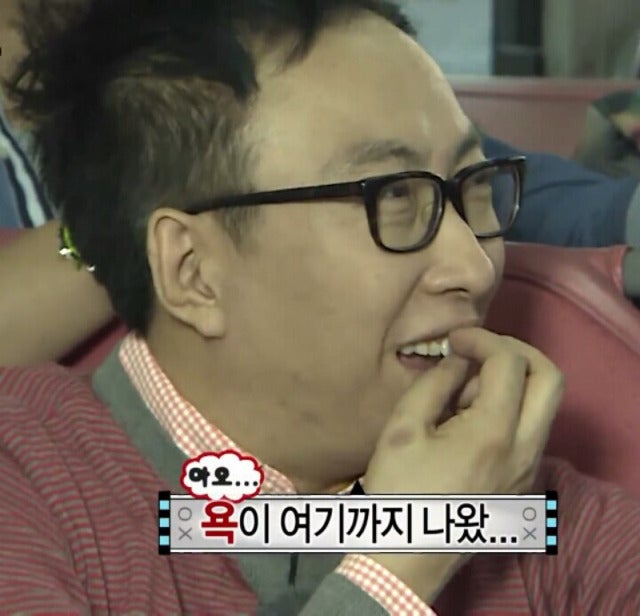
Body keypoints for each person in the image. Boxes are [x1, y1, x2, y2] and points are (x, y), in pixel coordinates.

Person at [0, 2, 639, 612]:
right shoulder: (29, 484)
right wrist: (411, 548)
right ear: (193, 272)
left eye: (472, 186)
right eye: (393, 197)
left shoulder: (530, 511)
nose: (473, 267)